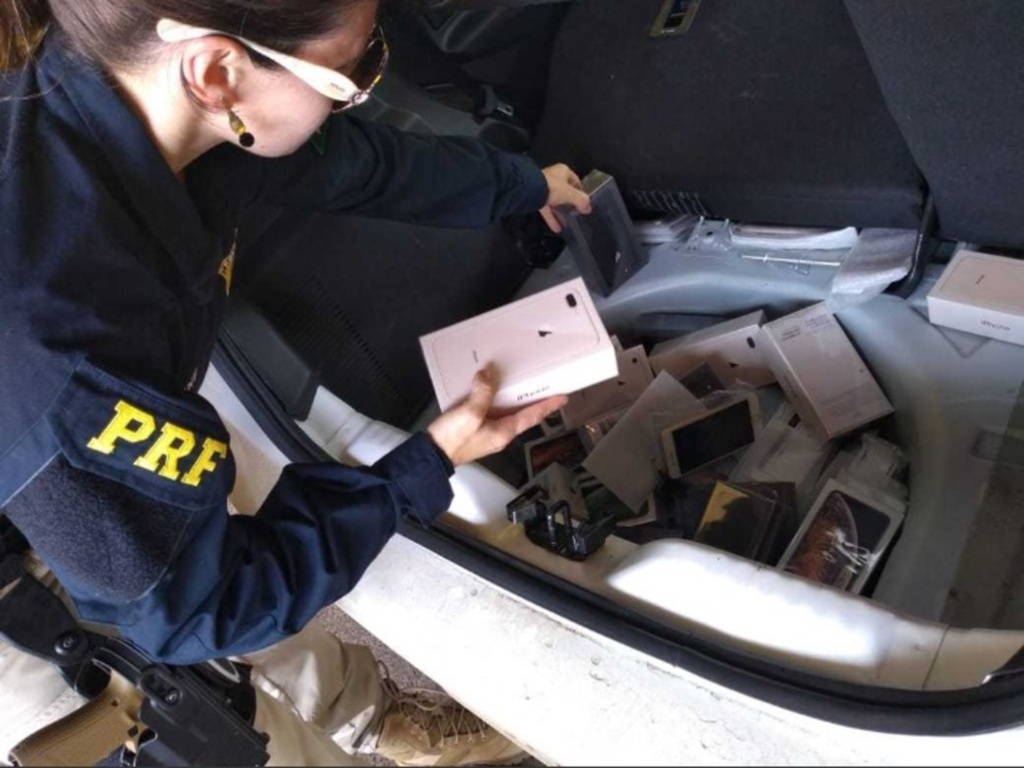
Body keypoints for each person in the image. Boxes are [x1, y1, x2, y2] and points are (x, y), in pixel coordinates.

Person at [0, 0, 592, 765]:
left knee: (221, 549)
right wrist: (430, 458)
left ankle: (384, 722)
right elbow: (199, 611)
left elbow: (354, 162)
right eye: (355, 70)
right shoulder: (65, 351)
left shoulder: (117, 92)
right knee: (230, 731)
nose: (363, 89)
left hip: (70, 447)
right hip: (22, 556)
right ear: (217, 71)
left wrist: (518, 185)